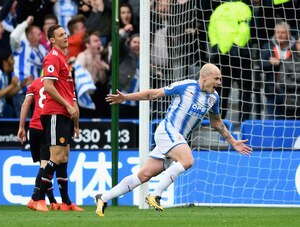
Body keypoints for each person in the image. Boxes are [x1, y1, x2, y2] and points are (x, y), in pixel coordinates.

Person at [95, 63, 253, 217]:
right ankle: (155, 195)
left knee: (144, 175)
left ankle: (104, 197)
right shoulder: (186, 86)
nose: (219, 83)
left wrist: (233, 142)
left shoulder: (213, 98)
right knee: (188, 160)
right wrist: (126, 97)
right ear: (204, 77)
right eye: (216, 79)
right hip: (167, 131)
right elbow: (153, 94)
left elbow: (217, 123)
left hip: (177, 139)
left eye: (220, 79)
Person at [32, 24, 81, 212]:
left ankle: (67, 203)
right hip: (55, 113)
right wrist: (67, 105)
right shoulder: (52, 57)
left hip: (65, 115)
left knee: (64, 157)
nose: (65, 37)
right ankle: (36, 198)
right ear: (52, 40)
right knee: (56, 157)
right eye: (61, 35)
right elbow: (49, 87)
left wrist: (75, 121)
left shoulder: (63, 59)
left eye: (66, 34)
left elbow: (70, 94)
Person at [17, 77, 83, 211]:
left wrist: (21, 127)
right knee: (52, 162)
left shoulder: (35, 83)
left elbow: (25, 104)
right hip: (51, 124)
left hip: (35, 127)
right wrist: (76, 125)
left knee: (51, 162)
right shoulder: (64, 83)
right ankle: (37, 198)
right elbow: (74, 106)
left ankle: (55, 201)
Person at [261, 21, 296, 119]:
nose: (280, 35)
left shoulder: (295, 47)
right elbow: (262, 64)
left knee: (290, 123)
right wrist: (270, 63)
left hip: (292, 92)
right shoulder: (268, 46)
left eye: (283, 33)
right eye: (278, 32)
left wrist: (279, 62)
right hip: (273, 90)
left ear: (288, 34)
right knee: (272, 121)